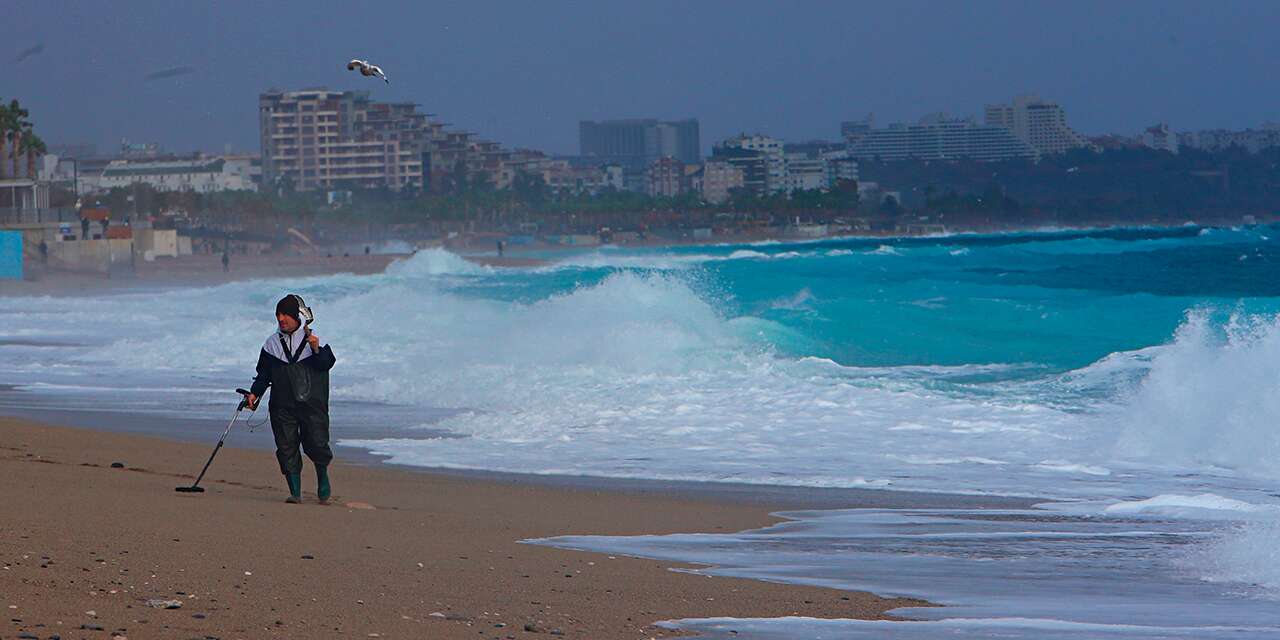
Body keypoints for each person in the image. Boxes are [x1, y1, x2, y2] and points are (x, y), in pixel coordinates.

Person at [244, 295, 338, 504]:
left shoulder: (313, 339)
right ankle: (295, 492)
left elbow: (326, 364)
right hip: (282, 405)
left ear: (297, 316)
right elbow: (263, 375)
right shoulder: (271, 345)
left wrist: (315, 349)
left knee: (317, 443)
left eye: (286, 315)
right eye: (278, 315)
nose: (281, 319)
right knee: (286, 446)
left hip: (312, 405)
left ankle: (322, 477)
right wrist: (254, 393)